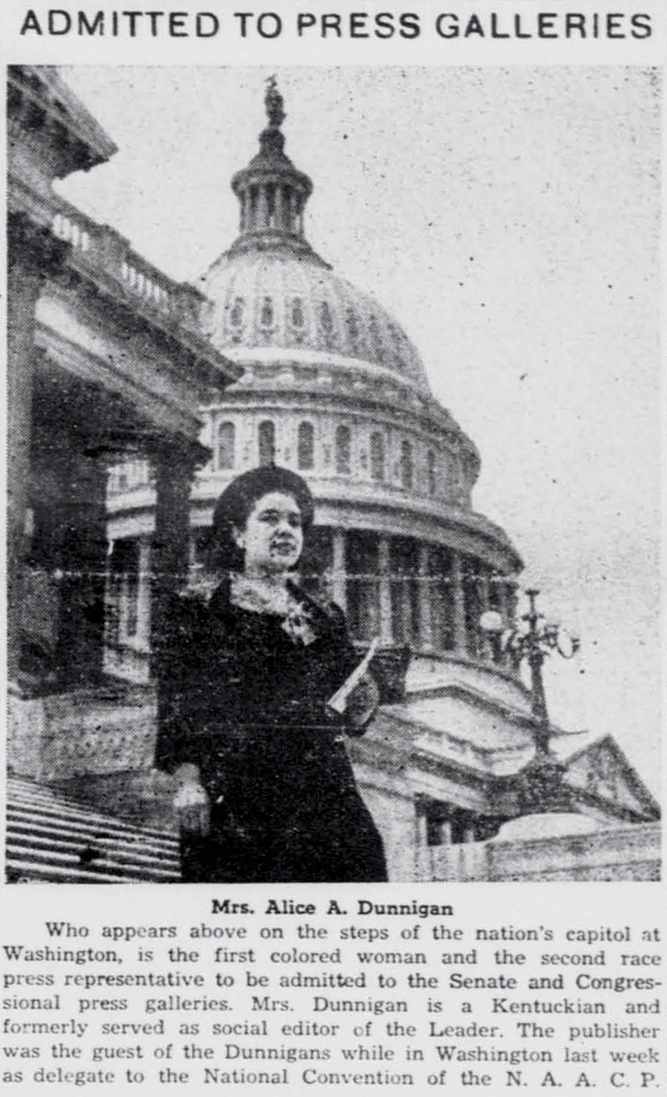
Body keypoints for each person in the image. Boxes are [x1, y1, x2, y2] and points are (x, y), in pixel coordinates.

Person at [155, 465, 387, 883]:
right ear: (237, 534)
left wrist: (364, 700)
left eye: (295, 522)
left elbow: (348, 709)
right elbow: (177, 706)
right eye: (269, 518)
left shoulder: (324, 614)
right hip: (238, 787)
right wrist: (188, 782)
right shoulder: (198, 607)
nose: (286, 530)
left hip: (323, 786)